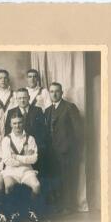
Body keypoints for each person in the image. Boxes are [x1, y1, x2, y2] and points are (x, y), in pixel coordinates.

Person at [45, 82, 83, 213]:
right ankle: (58, 206)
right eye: (51, 91)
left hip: (67, 151)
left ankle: (68, 206)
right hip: (53, 153)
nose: (54, 94)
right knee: (57, 179)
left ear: (61, 93)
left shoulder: (69, 107)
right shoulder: (48, 110)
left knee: (68, 179)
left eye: (57, 91)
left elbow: (79, 131)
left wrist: (73, 150)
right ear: (49, 93)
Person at [1, 112, 42, 222]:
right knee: (8, 186)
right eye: (14, 123)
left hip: (26, 170)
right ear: (10, 124)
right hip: (11, 171)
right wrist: (25, 158)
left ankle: (31, 211)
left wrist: (17, 156)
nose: (17, 126)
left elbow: (34, 159)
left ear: (23, 123)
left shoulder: (30, 139)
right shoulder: (6, 140)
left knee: (36, 185)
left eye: (19, 123)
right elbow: (6, 160)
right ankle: (13, 212)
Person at [5, 88, 47, 173]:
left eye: (24, 97)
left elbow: (43, 132)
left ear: (29, 97)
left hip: (33, 149)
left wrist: (34, 149)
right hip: (16, 150)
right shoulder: (11, 112)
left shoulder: (37, 110)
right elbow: (7, 132)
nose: (22, 100)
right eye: (20, 98)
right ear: (16, 99)